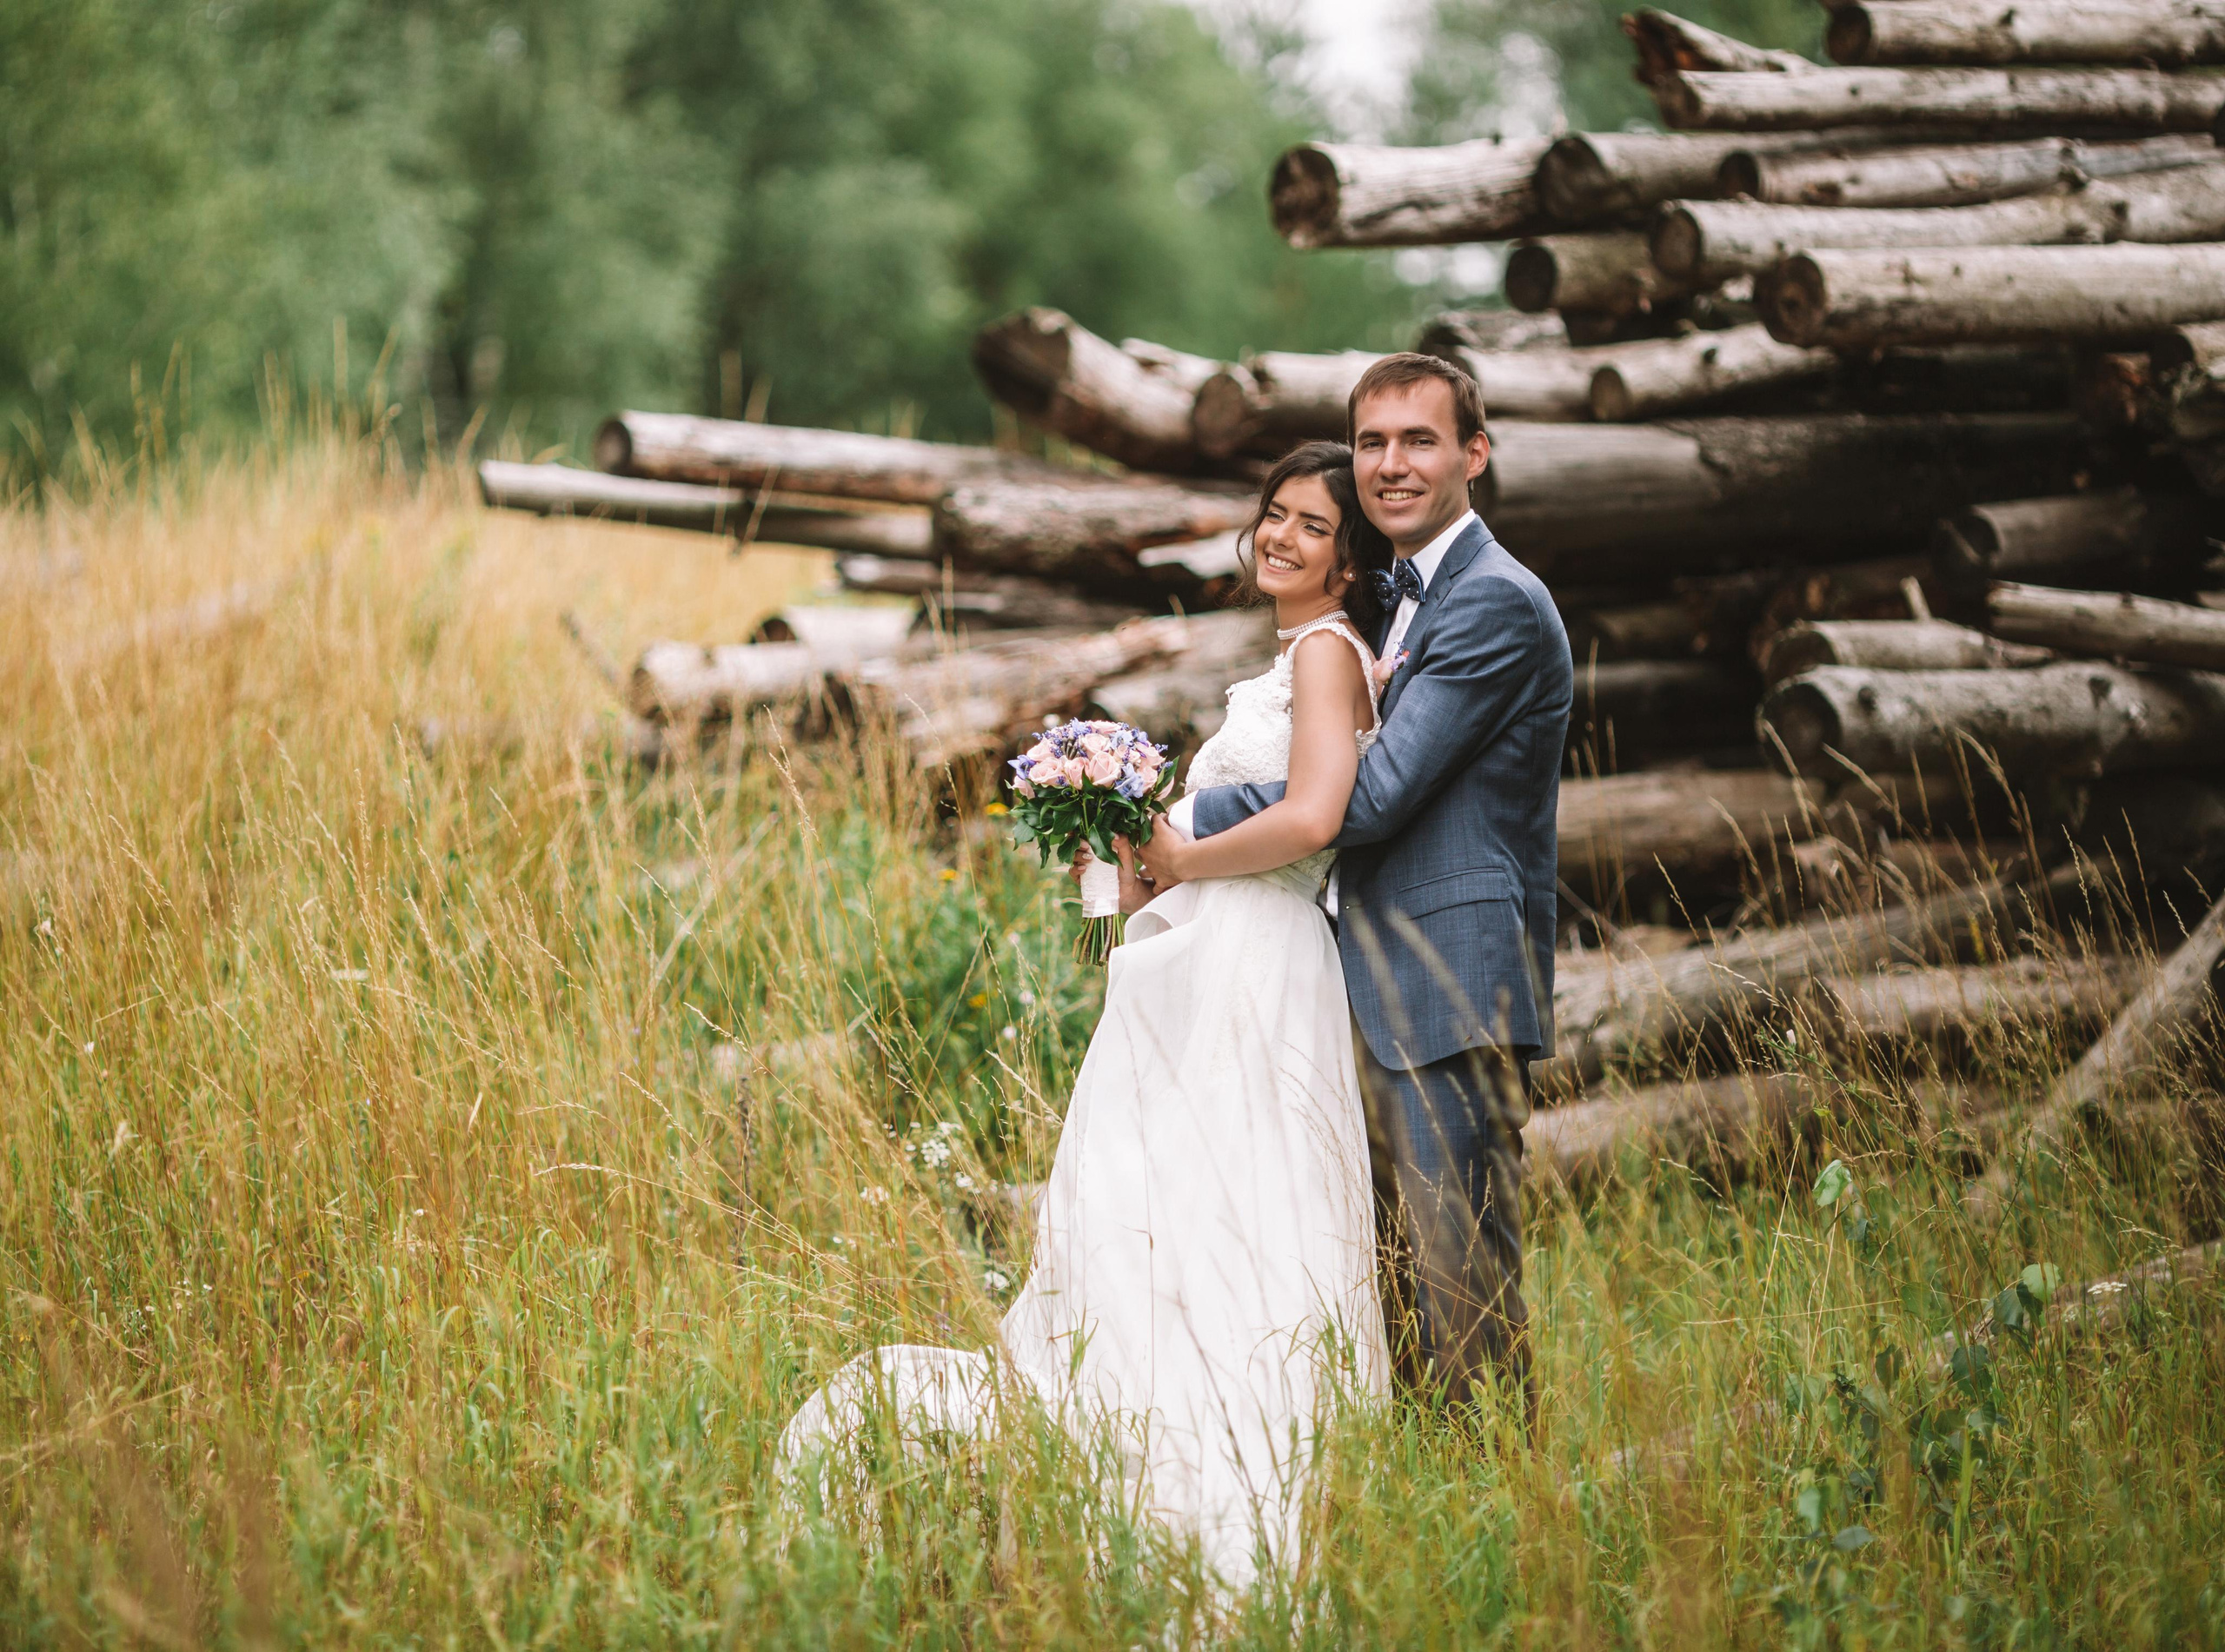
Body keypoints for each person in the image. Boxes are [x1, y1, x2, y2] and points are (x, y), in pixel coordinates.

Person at [777, 442, 1398, 1586]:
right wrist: (1127, 866)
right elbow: (1218, 852)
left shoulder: (1325, 654)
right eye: (1273, 513)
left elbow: (1315, 817)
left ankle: (1214, 1472)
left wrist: (1183, 852)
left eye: (1313, 525)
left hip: (1257, 967)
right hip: (1206, 957)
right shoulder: (1288, 660)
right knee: (1166, 1204)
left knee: (1228, 1215)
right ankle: (1136, 1431)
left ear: (1351, 559)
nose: (1280, 536)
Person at [1143, 354, 1574, 1426]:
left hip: (1449, 986)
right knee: (1387, 1282)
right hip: (1365, 981)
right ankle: (1423, 1484)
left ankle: (1495, 1495)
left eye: (1419, 439)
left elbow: (1367, 797)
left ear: (1474, 454)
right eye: (1372, 441)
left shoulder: (1493, 601)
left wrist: (1188, 820)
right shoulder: (1397, 602)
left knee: (1460, 1280)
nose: (1391, 463)